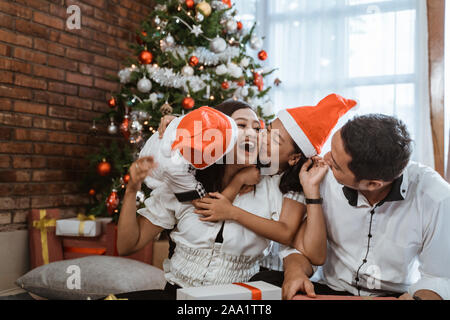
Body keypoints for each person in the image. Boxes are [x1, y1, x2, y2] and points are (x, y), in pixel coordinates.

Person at [115, 100, 314, 299]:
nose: (252, 134)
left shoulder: (273, 189)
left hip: (238, 302)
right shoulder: (185, 183)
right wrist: (132, 189)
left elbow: (299, 247)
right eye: (241, 125)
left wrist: (294, 271)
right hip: (177, 295)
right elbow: (128, 245)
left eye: (257, 128)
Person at [281, 114, 450, 300]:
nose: (325, 158)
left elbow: (439, 278)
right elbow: (300, 248)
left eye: (336, 165)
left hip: (394, 296)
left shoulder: (436, 198)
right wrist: (294, 273)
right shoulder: (320, 177)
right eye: (331, 149)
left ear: (372, 184)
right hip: (330, 291)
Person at [193, 94, 357, 266]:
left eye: (276, 140)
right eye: (268, 130)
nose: (262, 138)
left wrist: (233, 210)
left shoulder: (288, 185)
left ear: (294, 158)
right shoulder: (241, 164)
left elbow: (301, 244)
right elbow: (215, 208)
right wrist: (239, 180)